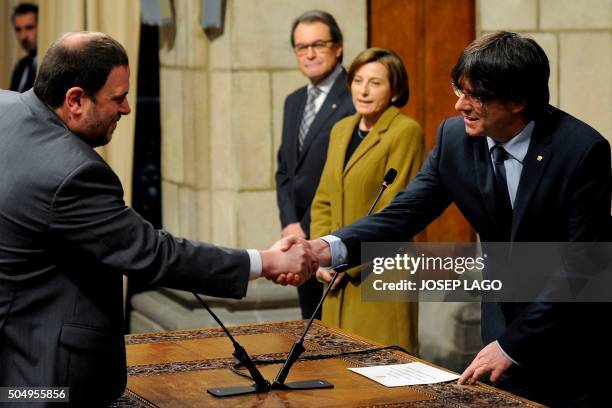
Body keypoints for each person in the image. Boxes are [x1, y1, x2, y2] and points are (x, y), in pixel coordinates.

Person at [0, 31, 316, 405]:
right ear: (75, 100)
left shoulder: (6, 108)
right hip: (48, 377)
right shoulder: (72, 172)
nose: (127, 109)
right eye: (117, 98)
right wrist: (266, 261)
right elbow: (153, 254)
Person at [302, 32, 610, 406]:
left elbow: (581, 263)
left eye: (476, 95)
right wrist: (324, 249)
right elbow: (404, 213)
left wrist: (514, 344)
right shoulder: (455, 139)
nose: (461, 105)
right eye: (458, 89)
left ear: (517, 100)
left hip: (571, 339)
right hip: (500, 328)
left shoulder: (581, 150)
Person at [311, 48, 424, 353]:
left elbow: (394, 210)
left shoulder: (405, 131)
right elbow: (324, 200)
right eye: (358, 80)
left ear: (395, 89)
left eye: (375, 83)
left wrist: (342, 262)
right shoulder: (340, 130)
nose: (363, 90)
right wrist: (320, 256)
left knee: (383, 373)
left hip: (380, 271)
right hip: (334, 274)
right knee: (337, 371)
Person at [275, 10, 354, 319]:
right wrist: (289, 223)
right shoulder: (293, 101)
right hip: (298, 239)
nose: (309, 54)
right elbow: (285, 170)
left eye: (318, 44)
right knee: (311, 327)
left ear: (338, 47)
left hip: (335, 239)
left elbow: (344, 178)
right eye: (301, 47)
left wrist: (313, 235)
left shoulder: (355, 97)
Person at [9, 3, 38, 92]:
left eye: (29, 28)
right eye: (18, 30)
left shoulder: (52, 63)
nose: (23, 36)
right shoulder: (20, 66)